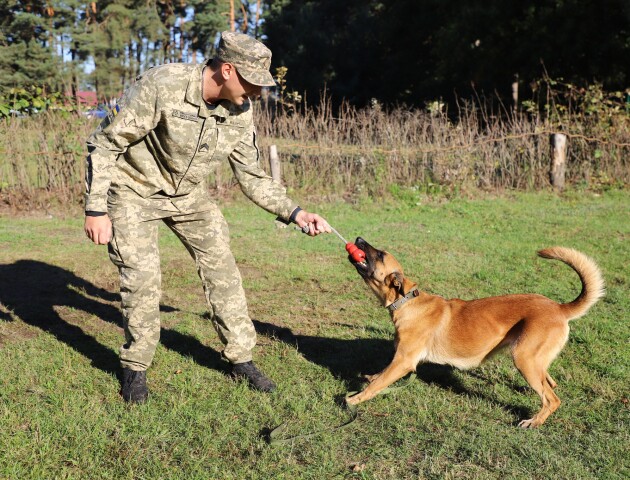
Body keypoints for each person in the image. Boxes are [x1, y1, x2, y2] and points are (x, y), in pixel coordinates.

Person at [83, 31, 331, 403]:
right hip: (133, 190)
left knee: (223, 269)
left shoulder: (241, 111)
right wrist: (96, 208)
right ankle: (135, 368)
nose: (259, 94)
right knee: (142, 280)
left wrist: (295, 213)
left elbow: (252, 175)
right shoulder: (164, 84)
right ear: (228, 70)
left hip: (189, 197)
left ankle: (240, 358)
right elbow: (106, 143)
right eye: (253, 83)